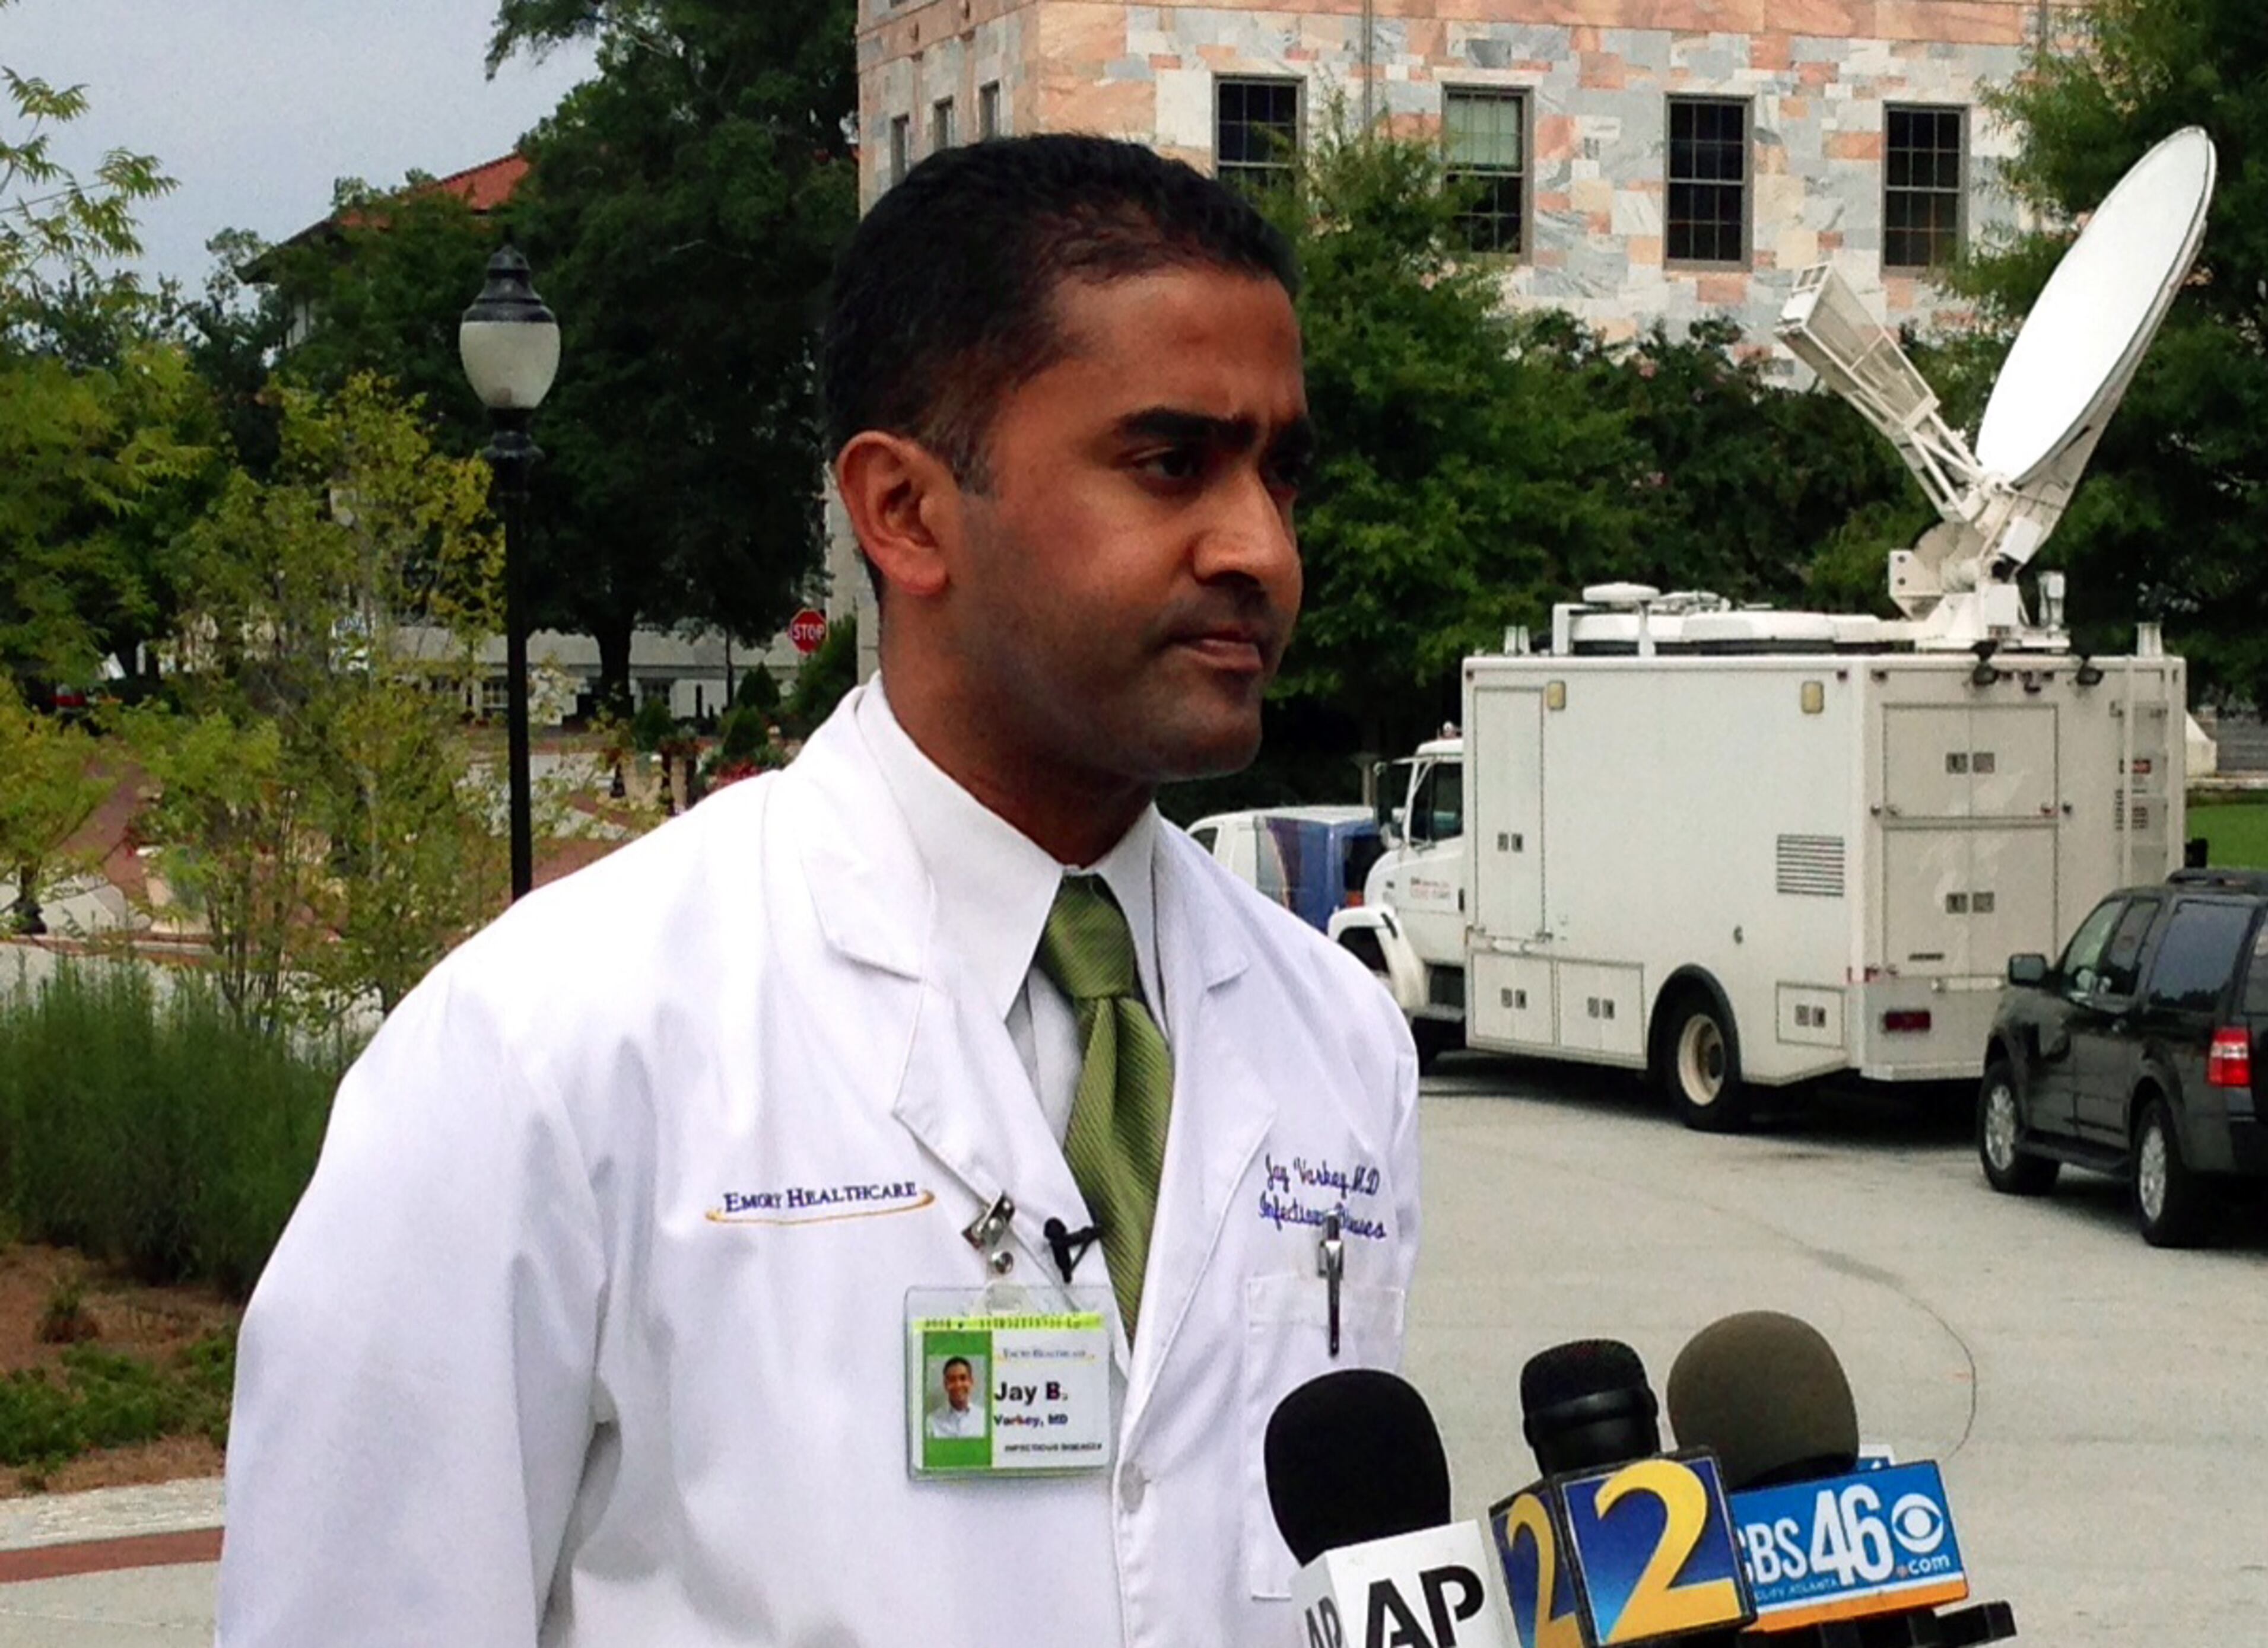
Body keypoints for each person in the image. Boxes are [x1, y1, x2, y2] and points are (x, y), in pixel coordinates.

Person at [217, 133, 1421, 1647]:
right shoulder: (554, 1043)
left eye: (1279, 472)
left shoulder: (1335, 1037)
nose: (1258, 546)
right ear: (904, 512)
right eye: (1170, 462)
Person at [926, 1356, 986, 1440]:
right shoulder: (931, 1422)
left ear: (971, 1382)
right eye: (952, 1380)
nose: (958, 1385)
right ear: (946, 1385)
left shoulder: (985, 1419)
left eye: (963, 1378)